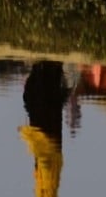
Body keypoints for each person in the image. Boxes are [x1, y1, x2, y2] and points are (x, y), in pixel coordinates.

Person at [19, 61, 69, 197]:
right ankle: (47, 66)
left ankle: (48, 66)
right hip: (47, 135)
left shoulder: (48, 186)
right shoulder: (47, 187)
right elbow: (45, 161)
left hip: (49, 137)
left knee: (40, 94)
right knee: (41, 94)